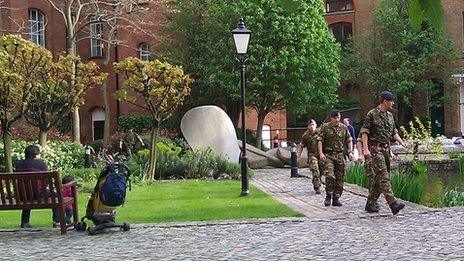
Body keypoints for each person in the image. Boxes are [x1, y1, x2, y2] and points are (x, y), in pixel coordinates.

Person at [359, 91, 408, 215]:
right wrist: (365, 149)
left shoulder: (390, 116)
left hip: (386, 149)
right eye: (391, 101)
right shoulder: (372, 114)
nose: (392, 103)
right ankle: (393, 203)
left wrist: (402, 142)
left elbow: (393, 132)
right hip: (376, 149)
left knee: (378, 179)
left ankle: (370, 203)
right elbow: (365, 132)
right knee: (383, 175)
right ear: (384, 101)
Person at [15, 145, 60, 228]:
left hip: (22, 195)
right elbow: (46, 180)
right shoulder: (41, 164)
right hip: (38, 194)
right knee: (55, 195)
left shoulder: (19, 164)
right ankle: (57, 221)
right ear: (36, 154)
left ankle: (25, 222)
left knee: (27, 195)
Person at [318, 109, 353, 207]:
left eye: (338, 117)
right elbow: (320, 140)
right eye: (334, 118)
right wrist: (321, 153)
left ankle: (336, 198)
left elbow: (349, 140)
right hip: (329, 155)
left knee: (340, 178)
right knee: (330, 176)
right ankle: (328, 195)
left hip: (340, 155)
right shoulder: (325, 127)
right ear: (331, 118)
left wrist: (350, 152)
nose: (336, 120)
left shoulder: (344, 128)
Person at [297, 119, 321, 194]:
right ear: (308, 126)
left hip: (321, 155)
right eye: (310, 125)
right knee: (315, 169)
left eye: (313, 124)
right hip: (312, 155)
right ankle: (317, 186)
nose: (312, 126)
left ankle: (317, 181)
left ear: (316, 125)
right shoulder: (306, 135)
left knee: (321, 171)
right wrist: (298, 156)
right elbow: (301, 145)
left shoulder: (320, 133)